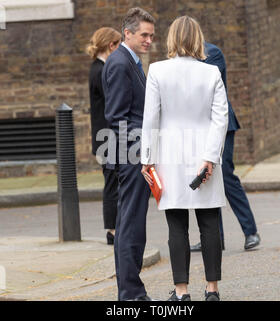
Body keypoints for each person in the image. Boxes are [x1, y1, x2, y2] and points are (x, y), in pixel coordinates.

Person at [141, 16, 228, 301]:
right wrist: (210, 158)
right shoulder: (212, 73)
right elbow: (220, 119)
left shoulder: (157, 70)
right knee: (209, 223)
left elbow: (151, 119)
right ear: (198, 39)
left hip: (171, 156)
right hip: (204, 156)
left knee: (176, 225)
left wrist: (147, 159)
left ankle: (182, 292)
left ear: (172, 39)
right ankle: (212, 290)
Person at [102, 7, 155, 301]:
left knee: (132, 224)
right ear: (128, 33)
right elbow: (118, 117)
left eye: (151, 36)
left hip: (134, 154)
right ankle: (131, 294)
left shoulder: (130, 61)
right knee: (130, 225)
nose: (149, 40)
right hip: (131, 156)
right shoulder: (121, 63)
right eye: (144, 35)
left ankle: (131, 291)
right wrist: (139, 154)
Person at [190, 42, 261, 252]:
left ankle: (251, 232)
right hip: (199, 127)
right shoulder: (182, 60)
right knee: (206, 177)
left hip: (222, 125)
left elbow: (203, 86)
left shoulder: (212, 53)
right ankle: (214, 238)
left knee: (227, 176)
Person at [86, 27, 121, 245]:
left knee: (113, 181)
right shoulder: (101, 71)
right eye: (118, 45)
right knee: (112, 183)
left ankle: (114, 228)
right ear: (111, 45)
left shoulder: (98, 68)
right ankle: (113, 231)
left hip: (103, 137)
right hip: (106, 138)